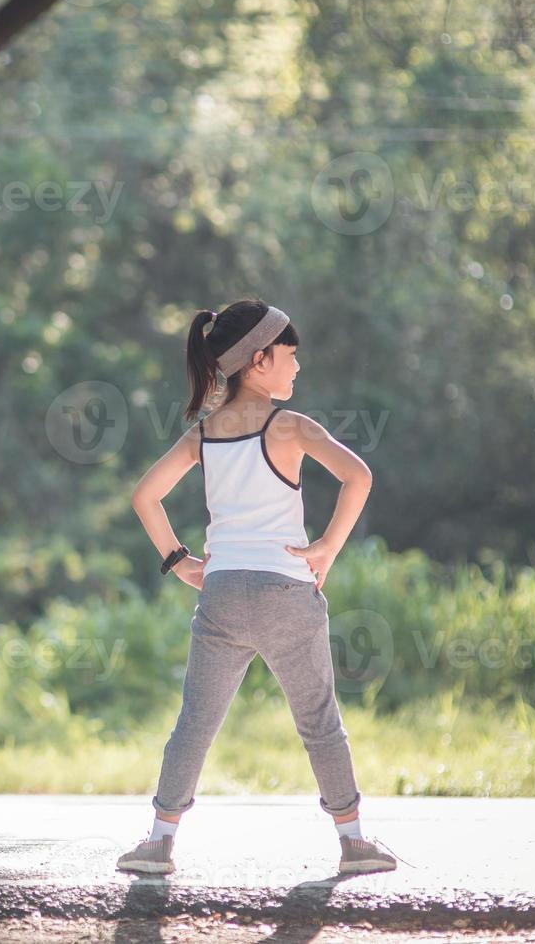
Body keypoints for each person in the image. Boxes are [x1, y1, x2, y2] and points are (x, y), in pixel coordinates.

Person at [116, 299, 398, 877]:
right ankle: (352, 843)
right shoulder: (291, 426)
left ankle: (158, 843)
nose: (297, 367)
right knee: (318, 718)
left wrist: (180, 561)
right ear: (259, 360)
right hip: (286, 593)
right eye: (290, 357)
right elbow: (358, 476)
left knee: (196, 719)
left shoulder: (204, 433)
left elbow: (145, 495)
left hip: (220, 594)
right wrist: (327, 548)